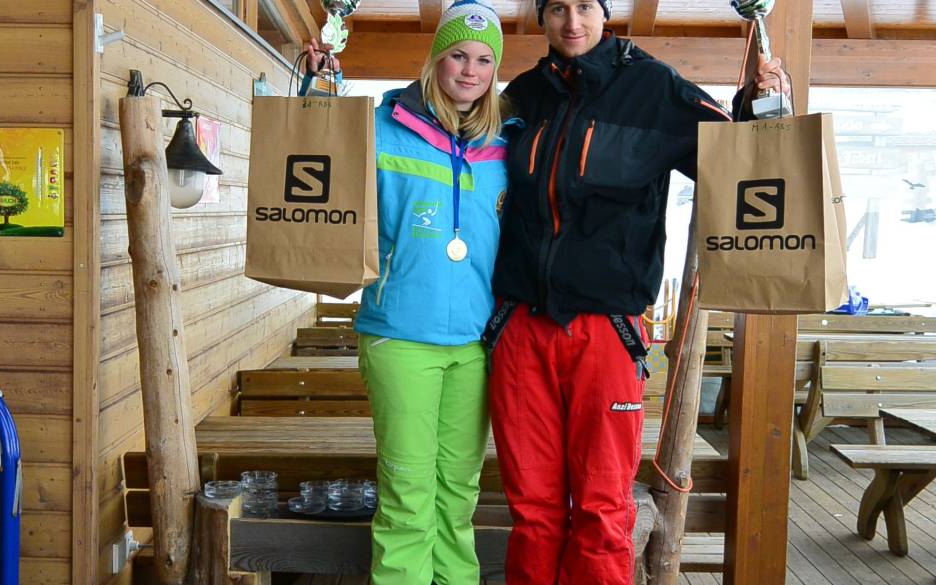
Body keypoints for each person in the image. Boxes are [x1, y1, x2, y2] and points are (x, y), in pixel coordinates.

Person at [484, 1, 792, 584]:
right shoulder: (522, 95)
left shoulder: (652, 87)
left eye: (585, 7)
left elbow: (736, 153)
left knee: (601, 508)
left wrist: (758, 102)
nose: (572, 22)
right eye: (557, 8)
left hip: (607, 327)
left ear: (606, 14)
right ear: (541, 18)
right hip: (520, 325)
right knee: (532, 511)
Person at [301, 1, 512, 583]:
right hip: (400, 337)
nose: (470, 71)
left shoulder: (507, 141)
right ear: (435, 59)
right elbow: (319, 150)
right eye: (458, 55)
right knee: (407, 493)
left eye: (484, 61)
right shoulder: (380, 128)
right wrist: (315, 90)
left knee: (458, 494)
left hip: (476, 344)